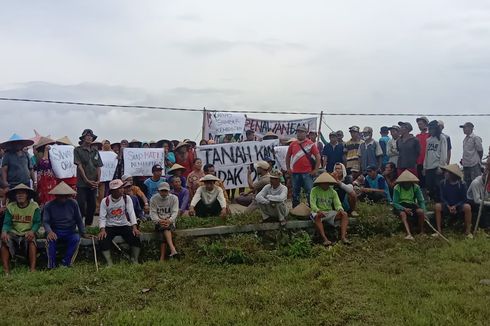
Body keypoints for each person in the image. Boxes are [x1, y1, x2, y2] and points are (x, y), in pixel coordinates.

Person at [97, 179, 141, 266]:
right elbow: (102, 217)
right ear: (113, 191)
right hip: (110, 226)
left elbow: (131, 213)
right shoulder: (105, 201)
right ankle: (109, 263)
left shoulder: (127, 198)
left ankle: (135, 260)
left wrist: (135, 227)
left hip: (124, 225)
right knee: (102, 240)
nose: (122, 190)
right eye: (119, 188)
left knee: (135, 237)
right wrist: (102, 230)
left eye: (122, 188)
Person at [43, 182, 86, 269]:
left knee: (76, 239)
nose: (63, 197)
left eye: (65, 195)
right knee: (50, 241)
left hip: (70, 231)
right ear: (56, 195)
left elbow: (79, 219)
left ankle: (66, 263)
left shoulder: (73, 203)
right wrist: (49, 232)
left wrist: (83, 232)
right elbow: (45, 222)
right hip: (55, 231)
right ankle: (51, 265)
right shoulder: (48, 205)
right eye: (60, 195)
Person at [1, 184, 41, 274]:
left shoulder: (34, 206)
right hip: (14, 232)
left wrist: (32, 231)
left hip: (28, 231)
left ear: (27, 195)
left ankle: (32, 269)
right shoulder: (11, 206)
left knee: (32, 242)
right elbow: (7, 223)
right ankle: (6, 270)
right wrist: (4, 231)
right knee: (4, 241)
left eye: (22, 193)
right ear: (15, 196)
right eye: (18, 194)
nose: (20, 195)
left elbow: (37, 222)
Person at [309, 172, 350, 246]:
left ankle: (343, 237)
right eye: (323, 183)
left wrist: (340, 209)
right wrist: (319, 211)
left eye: (327, 183)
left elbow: (337, 204)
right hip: (317, 212)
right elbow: (312, 204)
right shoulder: (314, 190)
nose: (325, 184)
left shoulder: (333, 191)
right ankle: (325, 239)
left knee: (345, 214)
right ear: (320, 183)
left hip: (329, 212)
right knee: (317, 217)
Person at [286, 125, 321, 208]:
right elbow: (288, 156)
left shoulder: (311, 144)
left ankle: (313, 209)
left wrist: (316, 170)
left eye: (301, 132)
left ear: (306, 133)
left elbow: (318, 156)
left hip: (307, 173)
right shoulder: (293, 144)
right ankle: (295, 210)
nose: (299, 134)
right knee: (295, 192)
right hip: (295, 173)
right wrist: (288, 168)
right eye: (298, 132)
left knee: (309, 192)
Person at [74, 129, 103, 226]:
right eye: (87, 135)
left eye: (91, 136)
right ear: (83, 138)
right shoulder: (77, 150)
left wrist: (98, 180)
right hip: (82, 183)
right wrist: (86, 180)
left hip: (94, 183)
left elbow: (98, 166)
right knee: (81, 204)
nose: (90, 137)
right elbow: (80, 166)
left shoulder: (95, 151)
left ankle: (88, 225)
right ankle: (79, 224)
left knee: (92, 205)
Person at [434, 164, 472, 238]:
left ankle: (468, 231)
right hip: (447, 205)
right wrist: (448, 206)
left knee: (467, 207)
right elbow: (442, 197)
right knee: (437, 206)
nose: (445, 173)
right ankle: (439, 231)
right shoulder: (443, 183)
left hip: (458, 205)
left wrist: (455, 206)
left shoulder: (462, 184)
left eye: (447, 172)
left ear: (452, 174)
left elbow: (464, 199)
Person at [392, 170, 427, 240]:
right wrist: (404, 209)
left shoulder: (416, 187)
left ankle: (422, 231)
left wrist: (424, 212)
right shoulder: (397, 187)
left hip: (411, 204)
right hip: (400, 205)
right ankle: (409, 234)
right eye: (405, 182)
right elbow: (395, 203)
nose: (407, 184)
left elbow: (421, 201)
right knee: (403, 214)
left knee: (421, 212)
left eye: (409, 182)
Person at [150, 182, 179, 260]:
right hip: (159, 222)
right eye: (162, 191)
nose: (164, 192)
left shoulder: (174, 198)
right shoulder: (153, 199)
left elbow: (175, 212)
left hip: (170, 222)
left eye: (165, 191)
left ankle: (162, 257)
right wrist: (159, 221)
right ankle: (172, 249)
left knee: (164, 230)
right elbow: (153, 213)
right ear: (158, 191)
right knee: (164, 228)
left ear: (169, 191)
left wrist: (169, 220)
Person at [423, 120, 448, 201]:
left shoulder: (442, 138)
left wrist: (441, 167)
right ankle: (433, 202)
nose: (430, 130)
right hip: (429, 166)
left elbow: (444, 153)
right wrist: (424, 167)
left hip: (437, 166)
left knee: (438, 186)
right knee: (430, 186)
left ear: (436, 129)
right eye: (429, 129)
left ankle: (440, 202)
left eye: (432, 129)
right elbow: (426, 154)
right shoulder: (428, 140)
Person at [32, 137, 58, 206]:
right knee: (46, 201)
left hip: (52, 182)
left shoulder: (52, 156)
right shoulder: (40, 156)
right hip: (44, 183)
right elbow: (45, 163)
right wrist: (46, 151)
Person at [460, 122, 483, 187]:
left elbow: (480, 150)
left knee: (475, 184)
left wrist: (479, 160)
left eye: (465, 127)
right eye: (463, 128)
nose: (463, 129)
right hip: (466, 165)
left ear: (470, 128)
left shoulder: (475, 138)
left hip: (474, 164)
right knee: (467, 184)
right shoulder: (465, 139)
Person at [415, 116, 430, 188]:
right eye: (418, 124)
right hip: (419, 162)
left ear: (426, 124)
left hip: (429, 162)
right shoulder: (417, 136)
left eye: (421, 124)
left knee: (429, 181)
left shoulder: (430, 135)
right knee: (421, 182)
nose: (419, 126)